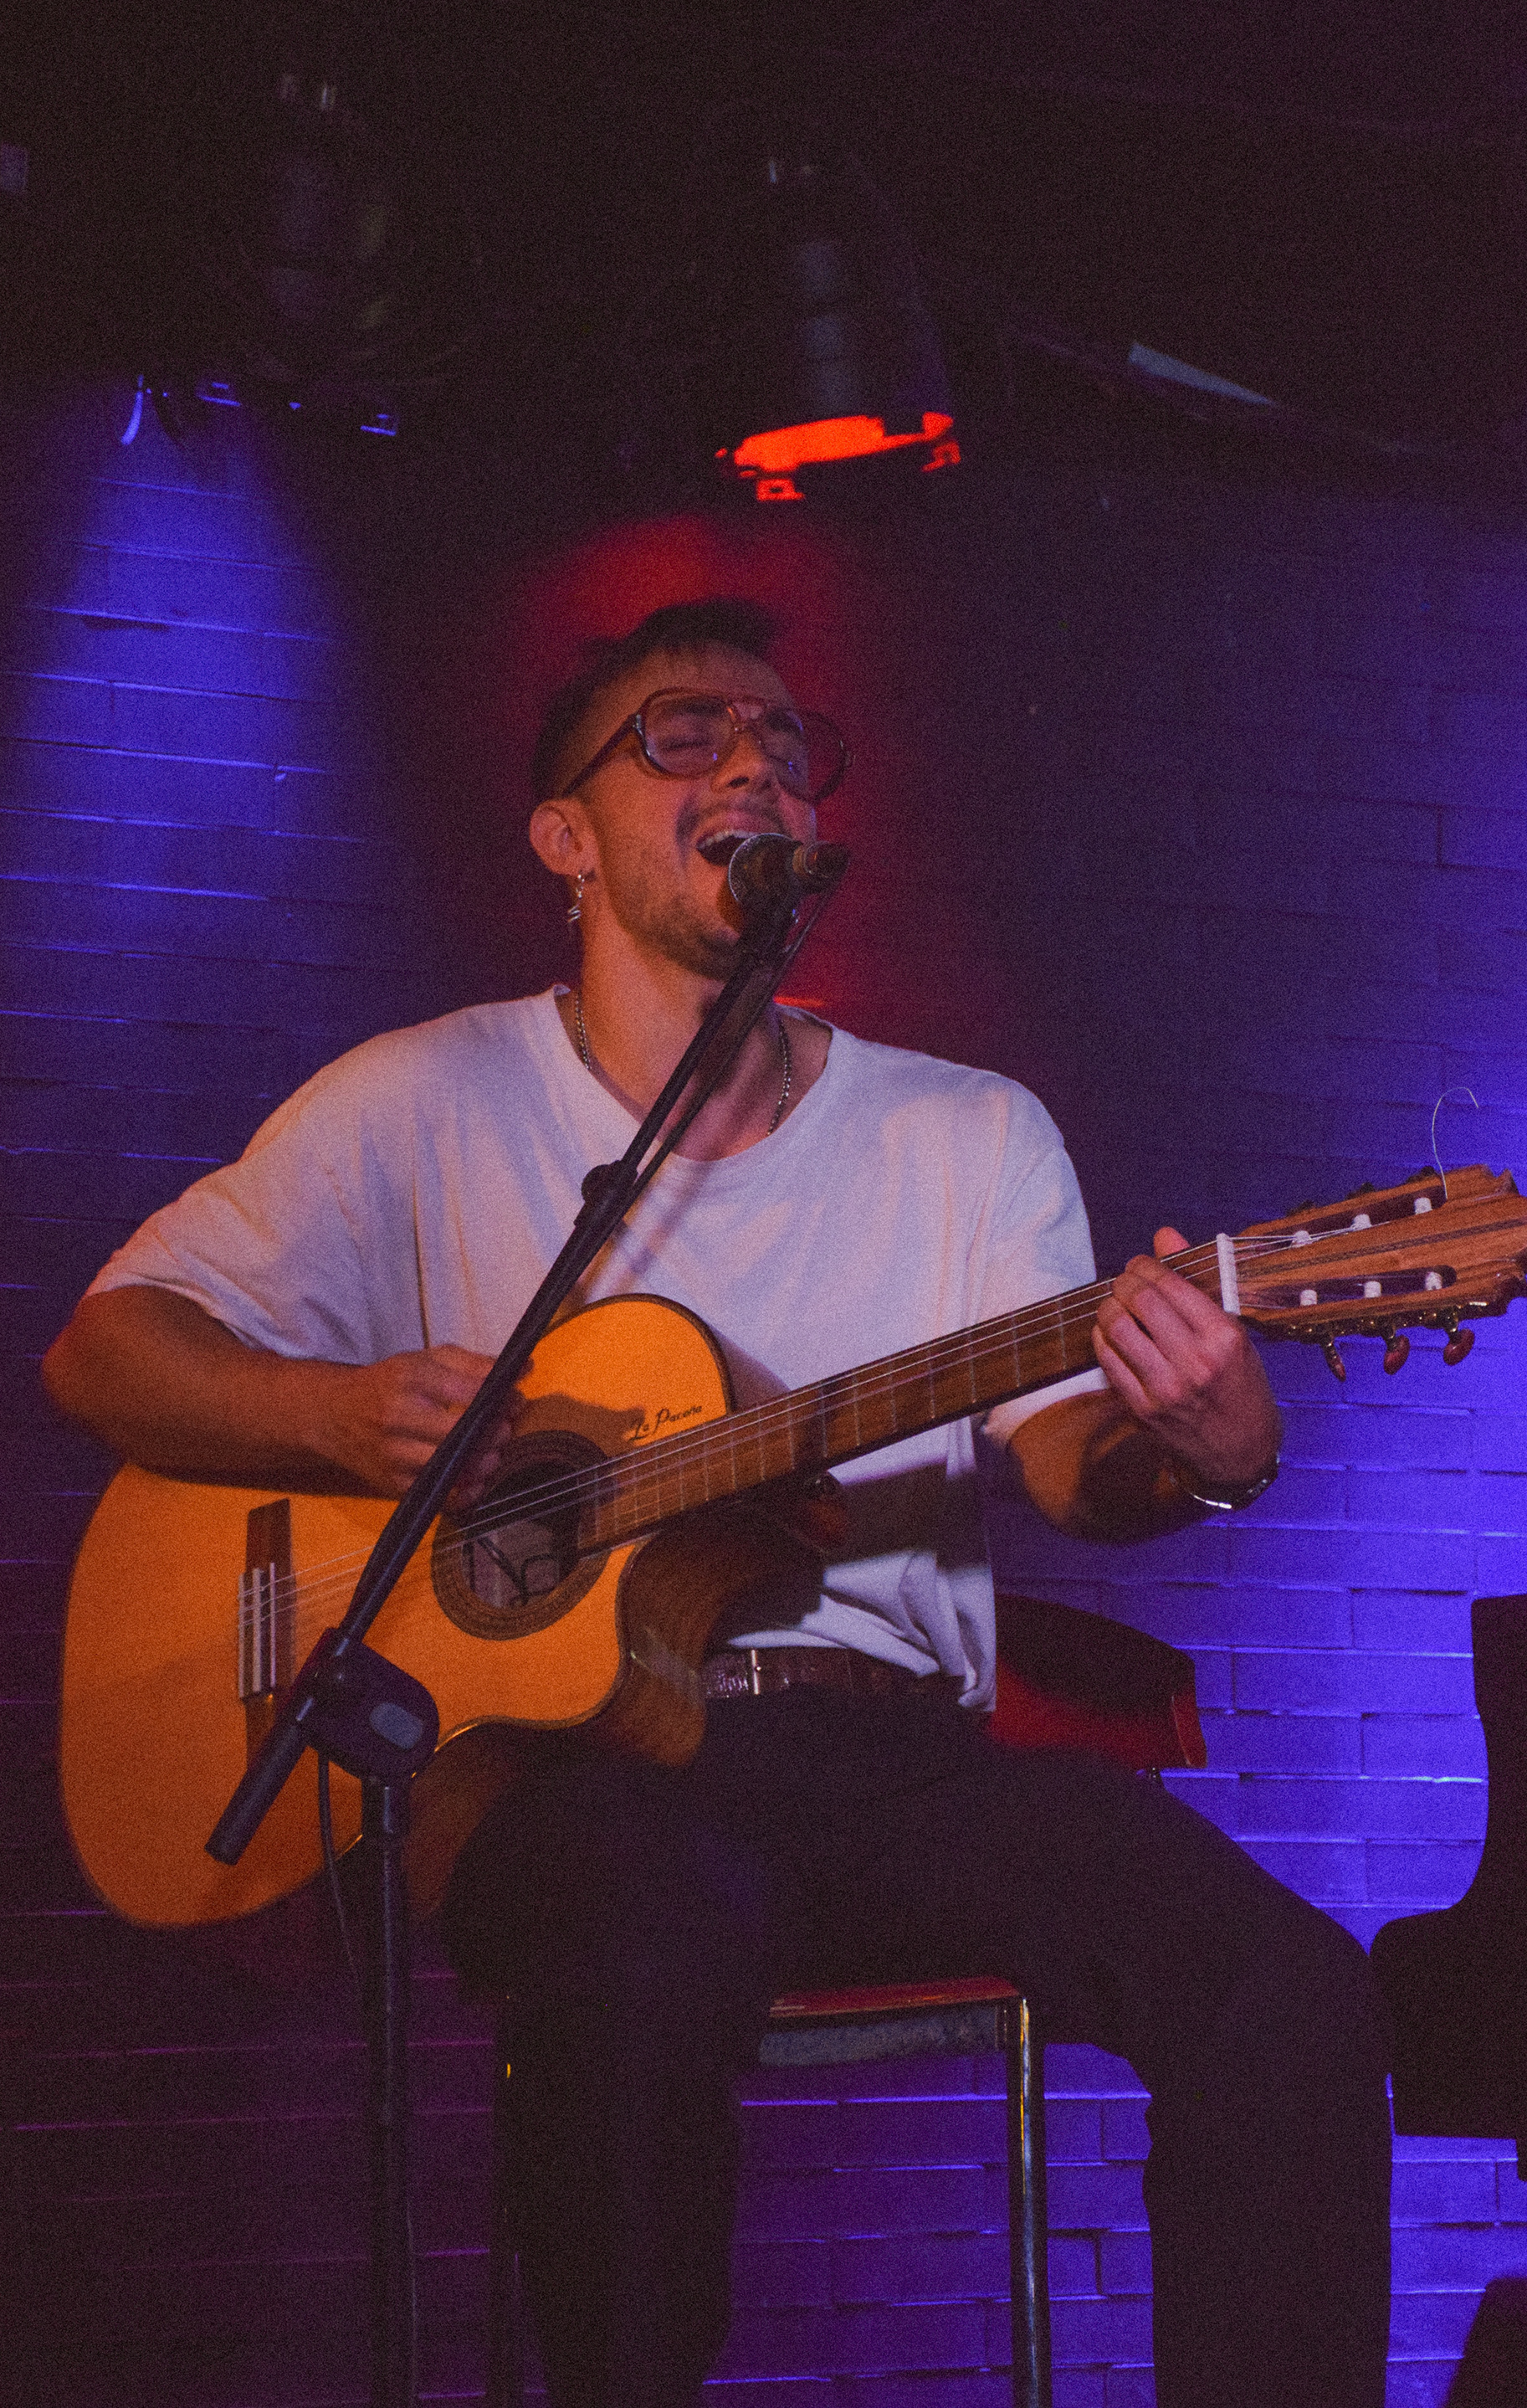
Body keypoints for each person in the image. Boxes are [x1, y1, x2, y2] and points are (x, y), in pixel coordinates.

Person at [44, 598, 1390, 2408]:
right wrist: (338, 1411)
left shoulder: (967, 1132)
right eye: (684, 733)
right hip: (550, 1773)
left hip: (884, 1763)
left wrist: (1206, 1444)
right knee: (639, 1925)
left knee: (1283, 1984)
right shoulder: (422, 1100)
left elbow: (1078, 1462)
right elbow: (104, 1351)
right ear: (566, 838)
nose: (755, 761)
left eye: (784, 743)